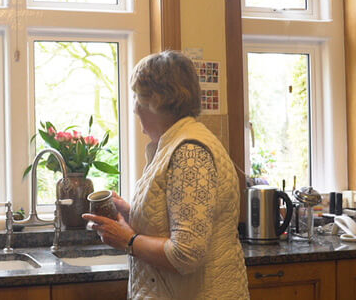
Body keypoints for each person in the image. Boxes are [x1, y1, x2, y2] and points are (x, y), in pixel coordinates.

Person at [83, 50, 249, 299]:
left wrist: (127, 240)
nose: (135, 108)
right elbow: (177, 219)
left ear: (156, 100)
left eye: (137, 97)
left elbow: (186, 254)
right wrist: (130, 212)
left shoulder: (190, 153)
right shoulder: (174, 145)